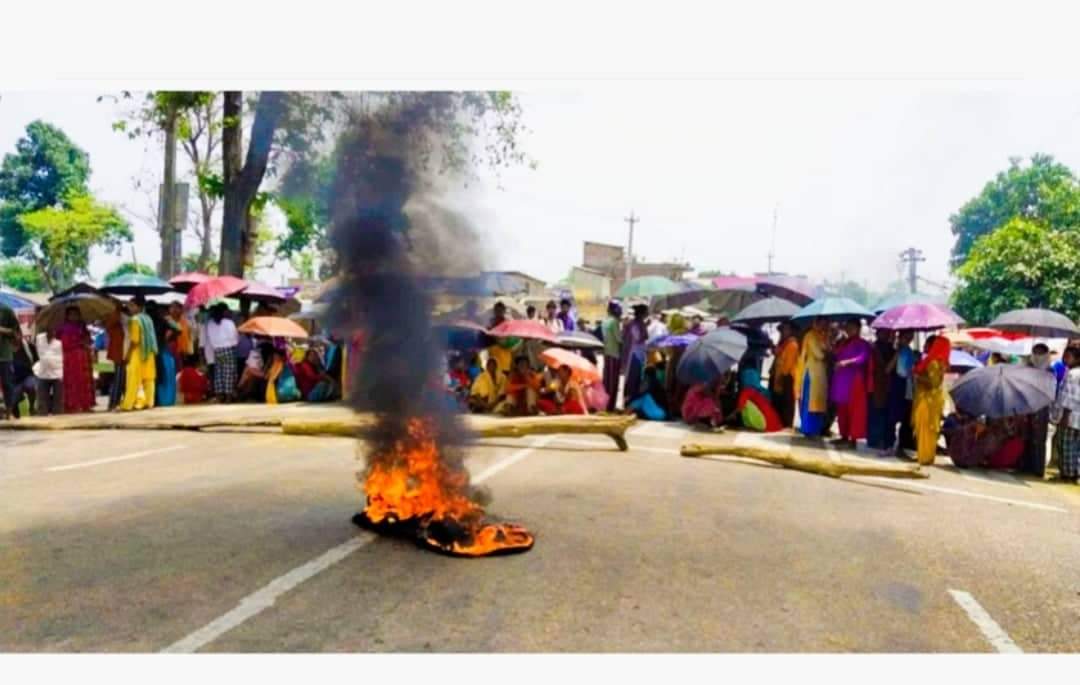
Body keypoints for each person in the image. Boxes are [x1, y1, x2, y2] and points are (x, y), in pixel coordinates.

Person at [828, 319, 872, 449]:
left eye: (851, 327)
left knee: (854, 410)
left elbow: (862, 358)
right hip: (841, 381)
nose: (848, 330)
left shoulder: (863, 344)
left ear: (858, 329)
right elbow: (835, 354)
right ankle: (844, 436)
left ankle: (853, 439)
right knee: (842, 409)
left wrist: (846, 362)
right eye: (847, 327)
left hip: (854, 380)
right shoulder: (844, 342)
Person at [912, 335, 950, 465]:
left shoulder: (933, 363)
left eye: (926, 344)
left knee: (925, 428)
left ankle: (924, 457)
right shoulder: (937, 361)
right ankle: (925, 456)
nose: (924, 347)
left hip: (928, 400)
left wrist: (917, 377)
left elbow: (933, 383)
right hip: (931, 399)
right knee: (927, 429)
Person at [120, 297, 159, 411]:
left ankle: (128, 405)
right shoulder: (148, 318)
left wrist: (127, 354)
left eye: (132, 305)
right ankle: (149, 402)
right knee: (149, 379)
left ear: (139, 307)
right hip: (149, 352)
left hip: (137, 353)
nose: (130, 308)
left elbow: (134, 340)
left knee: (133, 379)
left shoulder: (135, 320)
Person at [1021, 342, 1053, 477]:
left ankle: (1037, 468)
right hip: (1027, 403)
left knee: (1039, 438)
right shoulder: (1027, 367)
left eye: (1041, 353)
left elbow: (1050, 390)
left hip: (1042, 406)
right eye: (1036, 352)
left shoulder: (1050, 371)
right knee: (1025, 435)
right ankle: (1024, 465)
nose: (1038, 355)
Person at [795, 318, 830, 438]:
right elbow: (819, 354)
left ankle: (816, 429)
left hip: (821, 375)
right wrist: (828, 351)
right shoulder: (810, 336)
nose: (824, 326)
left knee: (819, 403)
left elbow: (827, 351)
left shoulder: (823, 336)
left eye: (826, 324)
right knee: (810, 402)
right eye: (822, 323)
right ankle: (807, 428)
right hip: (812, 374)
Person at [57, 306, 95, 413]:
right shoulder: (63, 328)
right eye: (72, 314)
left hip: (83, 357)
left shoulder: (82, 326)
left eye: (76, 314)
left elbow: (89, 339)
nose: (74, 316)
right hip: (70, 358)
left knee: (84, 381)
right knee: (72, 381)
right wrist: (79, 343)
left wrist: (86, 340)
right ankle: (72, 405)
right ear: (67, 316)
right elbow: (63, 344)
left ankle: (85, 404)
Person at [887, 330, 917, 457]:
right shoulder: (895, 350)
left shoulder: (910, 352)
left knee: (905, 417)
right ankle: (889, 444)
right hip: (897, 384)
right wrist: (897, 353)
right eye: (906, 337)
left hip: (908, 385)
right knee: (893, 416)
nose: (908, 340)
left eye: (910, 337)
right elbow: (888, 369)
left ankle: (901, 445)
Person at [1052, 346, 1080, 483]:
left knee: (1066, 445)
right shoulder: (1072, 372)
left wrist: (1065, 416)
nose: (1064, 359)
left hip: (1071, 416)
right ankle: (1073, 473)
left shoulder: (1073, 374)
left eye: (1068, 356)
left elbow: (1070, 396)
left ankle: (1068, 474)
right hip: (1076, 417)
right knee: (1075, 447)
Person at [868, 328, 897, 453]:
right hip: (878, 384)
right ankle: (876, 439)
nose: (888, 335)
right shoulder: (876, 348)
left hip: (886, 386)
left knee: (883, 413)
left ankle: (880, 439)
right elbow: (886, 368)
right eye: (884, 332)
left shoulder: (889, 347)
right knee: (878, 412)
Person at [204, 303, 239, 402]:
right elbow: (235, 338)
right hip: (228, 350)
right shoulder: (229, 322)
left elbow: (210, 338)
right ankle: (228, 396)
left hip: (217, 351)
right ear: (223, 312)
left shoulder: (210, 323)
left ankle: (220, 396)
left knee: (219, 373)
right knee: (228, 372)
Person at [770, 321, 799, 428]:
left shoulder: (792, 344)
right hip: (779, 374)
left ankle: (787, 423)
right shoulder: (783, 343)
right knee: (779, 400)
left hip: (787, 376)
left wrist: (782, 376)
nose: (783, 332)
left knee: (787, 401)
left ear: (791, 331)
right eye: (782, 330)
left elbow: (788, 364)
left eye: (786, 330)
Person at [620, 304, 650, 409]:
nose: (648, 313)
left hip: (639, 354)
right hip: (634, 354)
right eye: (646, 312)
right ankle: (628, 402)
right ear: (642, 313)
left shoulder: (640, 323)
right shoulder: (634, 324)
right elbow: (638, 338)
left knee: (637, 379)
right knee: (632, 379)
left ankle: (633, 403)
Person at [34, 328, 64, 415]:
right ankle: (42, 415)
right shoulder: (40, 338)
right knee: (42, 397)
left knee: (58, 398)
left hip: (57, 372)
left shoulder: (59, 342)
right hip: (43, 372)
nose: (52, 331)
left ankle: (58, 416)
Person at [104, 303, 128, 410]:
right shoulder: (115, 317)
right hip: (119, 353)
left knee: (122, 379)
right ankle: (113, 403)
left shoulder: (118, 318)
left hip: (122, 352)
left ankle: (118, 402)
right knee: (118, 379)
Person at [601, 300, 623, 412]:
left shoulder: (605, 321)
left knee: (607, 381)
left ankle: (605, 404)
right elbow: (619, 339)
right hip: (614, 355)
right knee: (613, 382)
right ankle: (610, 406)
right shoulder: (614, 322)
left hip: (606, 354)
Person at [0, 299, 19, 420]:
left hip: (4, 354)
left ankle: (9, 411)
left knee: (7, 383)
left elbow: (16, 331)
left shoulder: (6, 310)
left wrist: (2, 329)